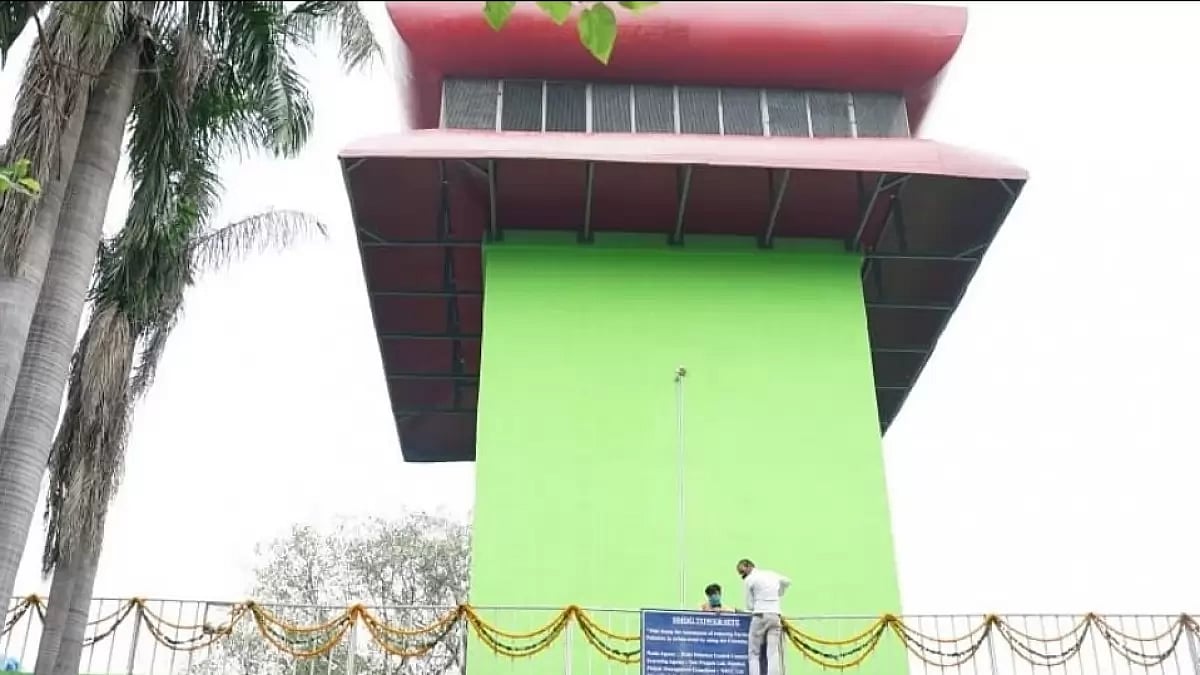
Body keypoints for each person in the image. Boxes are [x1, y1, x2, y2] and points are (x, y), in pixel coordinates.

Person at [738, 558, 791, 675]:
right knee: (773, 652)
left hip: (760, 615)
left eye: (742, 572)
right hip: (775, 615)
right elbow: (787, 581)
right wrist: (779, 592)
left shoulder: (750, 579)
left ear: (748, 566)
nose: (742, 576)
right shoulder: (771, 574)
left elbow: (749, 605)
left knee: (754, 653)